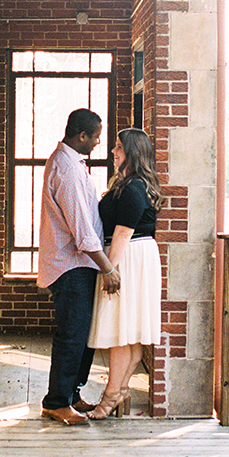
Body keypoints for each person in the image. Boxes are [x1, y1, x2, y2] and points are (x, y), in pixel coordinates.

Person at [37, 108, 121, 425]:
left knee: (81, 333)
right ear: (81, 136)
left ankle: (71, 395)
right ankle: (56, 402)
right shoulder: (68, 170)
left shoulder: (71, 163)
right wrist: (108, 269)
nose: (100, 142)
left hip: (78, 264)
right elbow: (82, 231)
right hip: (70, 265)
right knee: (72, 335)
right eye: (96, 136)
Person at [87, 127, 164, 419]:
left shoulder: (133, 188)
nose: (113, 151)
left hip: (128, 256)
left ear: (131, 152)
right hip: (136, 255)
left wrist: (109, 269)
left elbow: (121, 233)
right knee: (128, 333)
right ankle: (119, 391)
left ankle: (111, 395)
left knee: (121, 332)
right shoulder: (132, 183)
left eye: (118, 147)